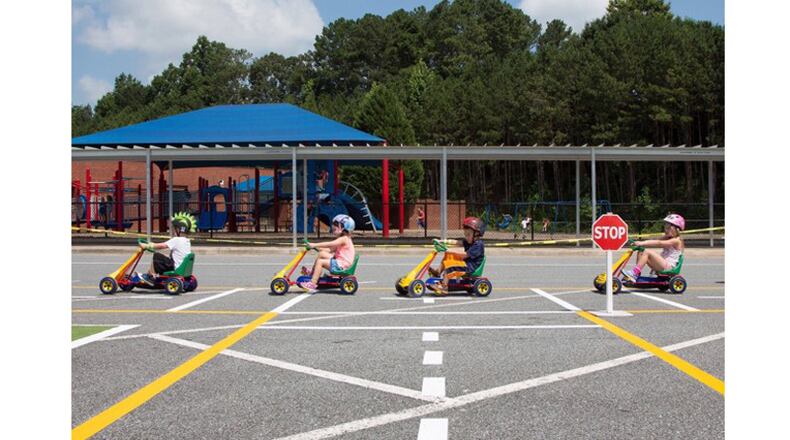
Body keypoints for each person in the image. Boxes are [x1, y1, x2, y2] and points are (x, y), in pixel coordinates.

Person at [427, 216, 486, 295]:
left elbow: (465, 254)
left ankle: (444, 287)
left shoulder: (478, 245)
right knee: (448, 255)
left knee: (451, 266)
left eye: (468, 234)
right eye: (465, 234)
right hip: (466, 264)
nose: (466, 237)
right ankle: (438, 272)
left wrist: (446, 249)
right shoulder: (469, 241)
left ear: (477, 234)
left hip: (470, 268)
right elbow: (456, 242)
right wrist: (441, 241)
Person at [298, 214, 356, 293]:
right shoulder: (342, 239)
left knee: (320, 262)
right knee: (322, 254)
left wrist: (314, 244)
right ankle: (313, 273)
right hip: (340, 262)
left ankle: (312, 283)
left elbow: (330, 244)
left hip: (342, 265)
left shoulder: (344, 239)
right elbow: (329, 249)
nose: (333, 227)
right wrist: (314, 248)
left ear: (343, 228)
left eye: (336, 225)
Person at [137, 212, 195, 285]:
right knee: (164, 259)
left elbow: (162, 246)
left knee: (157, 256)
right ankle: (152, 275)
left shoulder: (176, 240)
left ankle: (150, 277)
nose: (173, 230)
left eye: (174, 228)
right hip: (181, 268)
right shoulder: (187, 241)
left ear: (179, 229)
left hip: (175, 268)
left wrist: (147, 245)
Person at [622, 214, 685, 280]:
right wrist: (640, 243)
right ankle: (636, 274)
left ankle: (634, 273)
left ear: (677, 230)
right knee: (641, 250)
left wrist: (642, 243)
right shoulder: (667, 237)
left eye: (669, 228)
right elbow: (655, 240)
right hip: (663, 264)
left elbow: (659, 243)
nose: (666, 230)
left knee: (647, 252)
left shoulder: (676, 241)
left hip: (669, 267)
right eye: (666, 227)